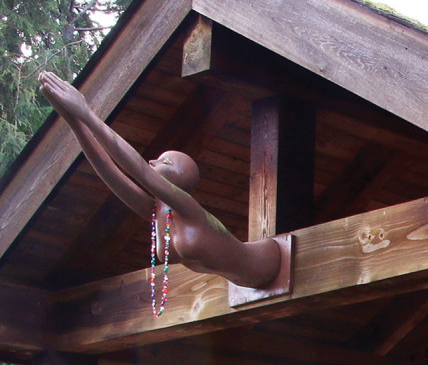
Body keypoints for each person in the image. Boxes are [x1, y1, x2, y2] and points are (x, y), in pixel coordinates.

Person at [37, 71, 283, 290]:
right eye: (155, 160)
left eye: (165, 162)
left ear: (182, 180)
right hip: (249, 284)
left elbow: (138, 170)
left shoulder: (188, 208)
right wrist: (73, 120)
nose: (153, 162)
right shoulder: (159, 214)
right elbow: (110, 173)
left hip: (268, 264)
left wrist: (87, 114)